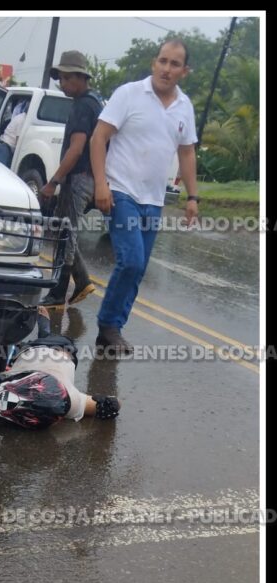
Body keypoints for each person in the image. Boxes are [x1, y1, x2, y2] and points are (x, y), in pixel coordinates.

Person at [90, 39, 199, 355]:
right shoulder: (129, 94)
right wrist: (101, 184)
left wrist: (193, 197)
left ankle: (112, 330)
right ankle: (109, 326)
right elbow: (99, 138)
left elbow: (187, 152)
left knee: (138, 268)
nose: (167, 69)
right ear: (154, 63)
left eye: (174, 64)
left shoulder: (184, 106)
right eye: (162, 61)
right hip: (121, 191)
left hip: (153, 200)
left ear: (184, 71)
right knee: (131, 260)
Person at [0, 309, 121, 429]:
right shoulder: (72, 401)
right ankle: (42, 322)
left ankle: (39, 324)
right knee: (44, 336)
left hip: (36, 355)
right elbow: (112, 405)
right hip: (56, 350)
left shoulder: (67, 403)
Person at [39, 51, 102, 308]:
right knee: (64, 230)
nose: (62, 84)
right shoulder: (95, 102)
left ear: (80, 77)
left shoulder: (82, 106)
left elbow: (76, 149)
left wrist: (54, 181)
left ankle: (58, 293)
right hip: (87, 177)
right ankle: (83, 281)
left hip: (78, 177)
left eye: (66, 78)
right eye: (60, 79)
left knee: (66, 234)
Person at [0, 101, 29, 167]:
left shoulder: (21, 117)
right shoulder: (22, 120)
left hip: (5, 148)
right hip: (3, 148)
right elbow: (18, 141)